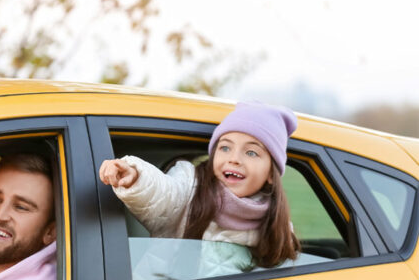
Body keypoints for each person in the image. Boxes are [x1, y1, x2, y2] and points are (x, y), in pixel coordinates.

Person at [99, 101, 301, 268]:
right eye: (225, 148)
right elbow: (163, 193)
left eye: (251, 153)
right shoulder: (190, 187)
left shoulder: (277, 228)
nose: (234, 159)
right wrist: (135, 175)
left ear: (271, 175)